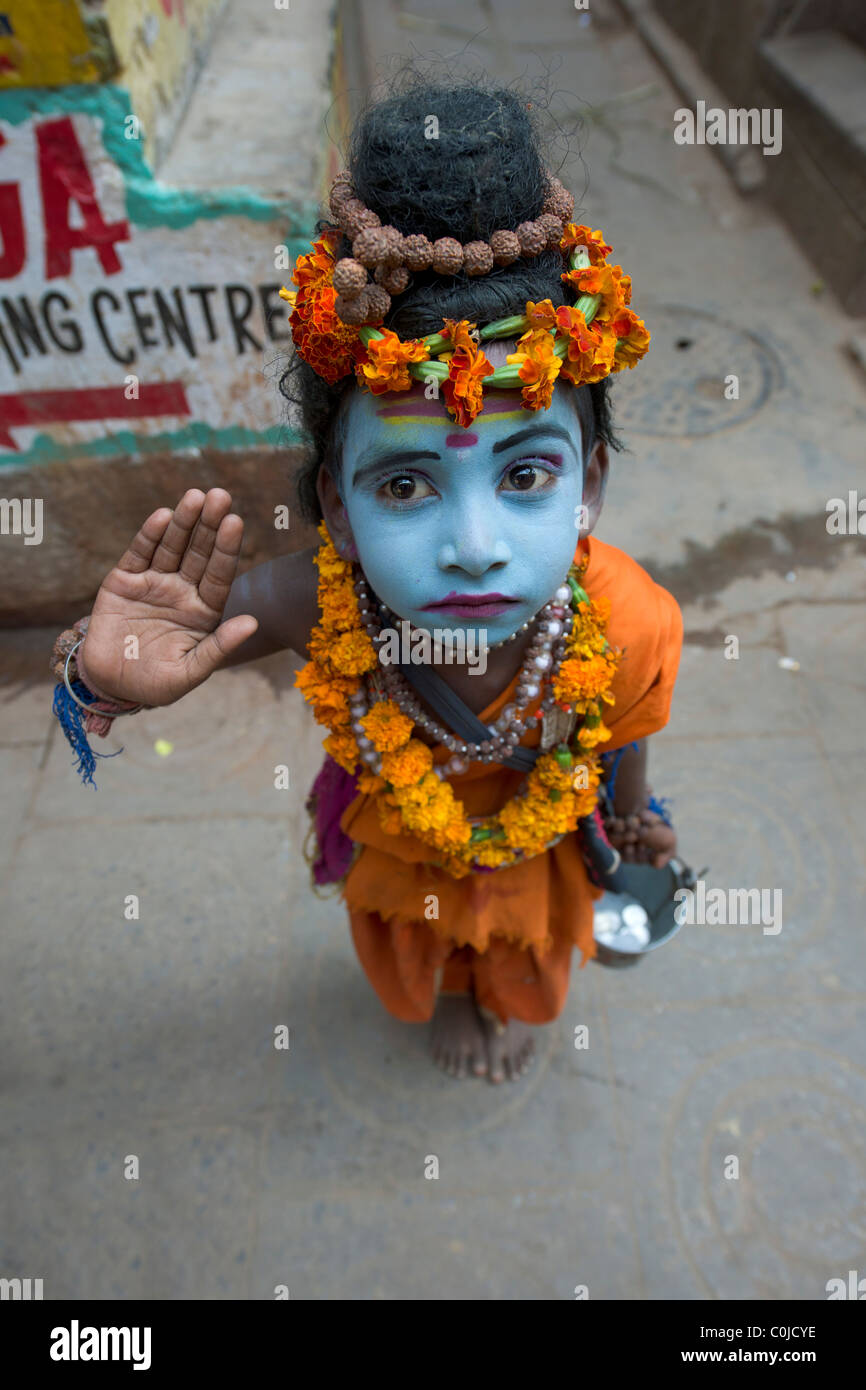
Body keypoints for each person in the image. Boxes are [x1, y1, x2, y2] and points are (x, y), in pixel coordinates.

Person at [51, 78, 682, 1086]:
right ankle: (446, 992)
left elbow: (627, 741)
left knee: (521, 940)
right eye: (403, 483)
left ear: (588, 486)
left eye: (524, 475)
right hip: (401, 822)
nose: (472, 545)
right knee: (416, 934)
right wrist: (91, 677)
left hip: (544, 830)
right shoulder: (317, 599)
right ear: (336, 510)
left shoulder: (633, 620)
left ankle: (494, 1000)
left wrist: (633, 834)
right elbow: (200, 631)